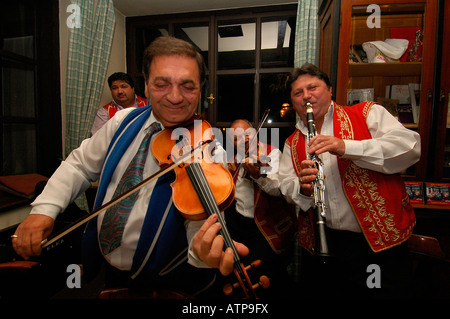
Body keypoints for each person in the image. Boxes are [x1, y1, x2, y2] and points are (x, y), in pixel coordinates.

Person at [11, 36, 246, 298]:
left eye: (187, 86)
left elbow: (201, 228)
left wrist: (203, 252)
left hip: (163, 283)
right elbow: (80, 165)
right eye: (162, 84)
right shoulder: (122, 120)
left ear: (200, 89)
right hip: (101, 268)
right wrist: (44, 210)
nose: (175, 96)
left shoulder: (210, 150)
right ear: (146, 85)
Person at [278, 63, 421, 298]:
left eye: (312, 87)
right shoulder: (291, 142)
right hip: (325, 245)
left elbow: (410, 147)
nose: (306, 96)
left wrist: (346, 147)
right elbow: (286, 185)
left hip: (376, 247)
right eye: (298, 93)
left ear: (330, 90)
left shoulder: (367, 113)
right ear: (293, 102)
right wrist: (302, 189)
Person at [223, 119, 297, 298]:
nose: (243, 140)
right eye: (236, 139)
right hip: (240, 224)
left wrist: (258, 174)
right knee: (233, 262)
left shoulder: (271, 153)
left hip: (266, 224)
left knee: (264, 270)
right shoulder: (232, 162)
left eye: (247, 135)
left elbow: (276, 189)